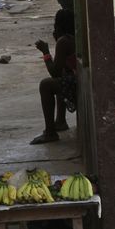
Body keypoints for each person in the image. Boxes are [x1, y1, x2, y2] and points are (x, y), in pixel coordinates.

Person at [30, 9, 77, 145]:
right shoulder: (73, 37)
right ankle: (60, 120)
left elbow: (54, 72)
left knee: (46, 85)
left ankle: (50, 132)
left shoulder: (64, 41)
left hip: (75, 81)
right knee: (61, 79)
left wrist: (46, 52)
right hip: (75, 77)